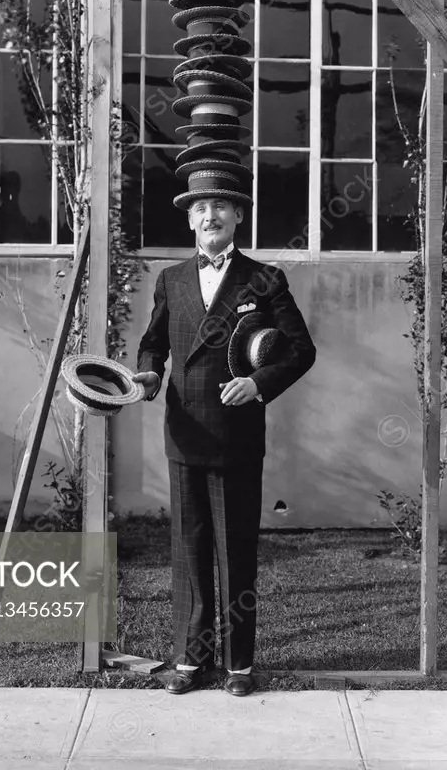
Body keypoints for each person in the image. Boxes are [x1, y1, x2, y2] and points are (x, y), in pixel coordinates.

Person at [132, 195, 316, 696]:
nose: (209, 216)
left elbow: (301, 351)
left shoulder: (265, 279)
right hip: (185, 431)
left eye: (220, 207)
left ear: (238, 216)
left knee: (235, 549)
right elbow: (155, 342)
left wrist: (258, 384)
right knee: (189, 549)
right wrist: (149, 373)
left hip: (237, 434)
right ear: (189, 218)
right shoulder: (170, 279)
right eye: (199, 209)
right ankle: (190, 661)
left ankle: (238, 665)